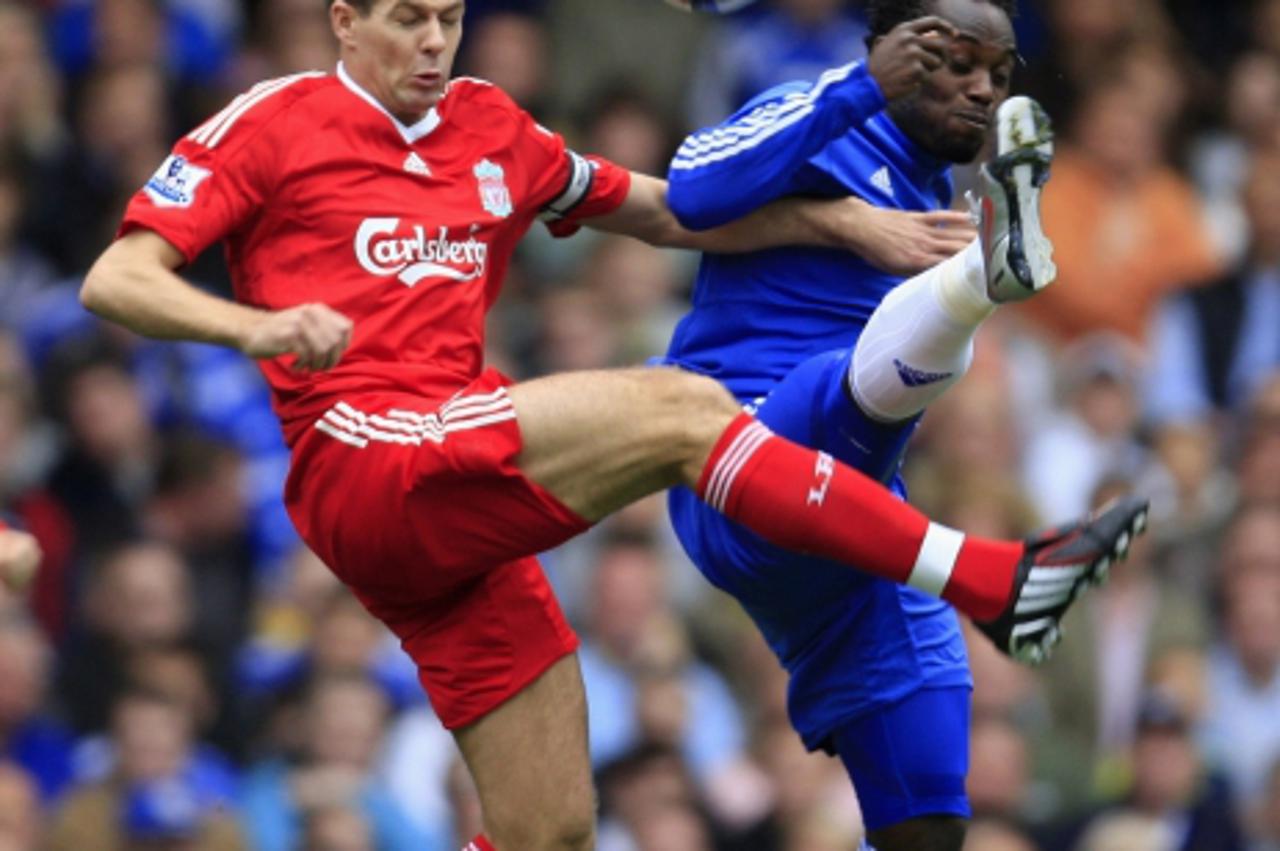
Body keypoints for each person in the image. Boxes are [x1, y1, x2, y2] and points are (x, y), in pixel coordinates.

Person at [80, 2, 1146, 849]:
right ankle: (984, 578)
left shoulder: (487, 125)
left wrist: (840, 222)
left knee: (551, 829)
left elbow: (664, 209)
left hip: (453, 505)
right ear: (342, 19)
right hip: (365, 454)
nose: (434, 43)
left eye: (448, 17)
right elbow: (117, 278)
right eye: (406, 17)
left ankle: (986, 556)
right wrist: (252, 324)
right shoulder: (271, 121)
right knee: (683, 404)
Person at [660, 0, 1144, 847]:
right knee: (839, 380)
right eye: (954, 60)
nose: (980, 89)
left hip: (857, 522)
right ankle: (981, 281)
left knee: (927, 817)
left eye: (997, 74)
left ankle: (980, 277)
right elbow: (692, 189)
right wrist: (857, 90)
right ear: (886, 45)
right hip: (735, 457)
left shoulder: (926, 198)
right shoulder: (816, 110)